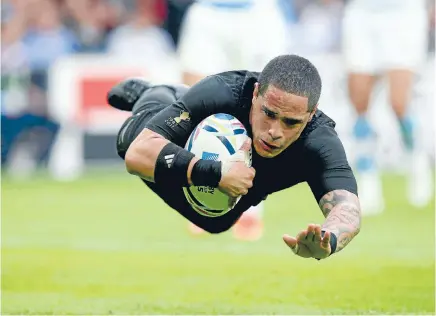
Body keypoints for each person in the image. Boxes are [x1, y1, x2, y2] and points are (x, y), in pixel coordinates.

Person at [108, 54, 362, 260]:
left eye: (291, 122)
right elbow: (137, 154)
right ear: (255, 94)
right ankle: (156, 93)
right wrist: (217, 173)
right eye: (269, 113)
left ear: (310, 114)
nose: (275, 132)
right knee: (128, 141)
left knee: (216, 221)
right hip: (187, 134)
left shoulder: (319, 140)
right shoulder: (222, 91)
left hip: (236, 194)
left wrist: (329, 240)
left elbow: (348, 208)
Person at [176, 0, 292, 239]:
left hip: (256, 13)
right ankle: (201, 201)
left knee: (261, 108)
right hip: (207, 12)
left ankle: (250, 210)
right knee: (195, 104)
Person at [342, 0, 433, 214]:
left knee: (399, 103)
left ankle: (417, 160)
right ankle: (367, 179)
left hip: (403, 13)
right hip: (362, 13)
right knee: (359, 102)